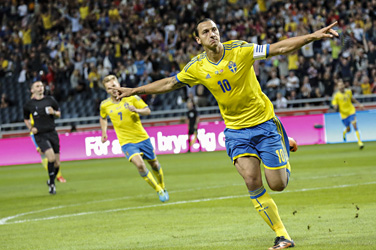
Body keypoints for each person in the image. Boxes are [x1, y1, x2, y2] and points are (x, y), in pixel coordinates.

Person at [109, 18, 337, 250]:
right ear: (198, 40)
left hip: (264, 125)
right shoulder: (196, 67)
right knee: (251, 180)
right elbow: (169, 83)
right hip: (236, 131)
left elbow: (277, 48)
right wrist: (134, 91)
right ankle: (282, 235)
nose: (212, 34)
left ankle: (283, 144)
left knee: (277, 185)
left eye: (215, 30)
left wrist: (311, 36)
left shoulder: (241, 49)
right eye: (206, 32)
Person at [99, 75, 169, 202]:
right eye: (109, 88)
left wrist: (136, 110)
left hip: (142, 138)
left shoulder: (132, 98)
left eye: (114, 86)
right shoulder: (105, 105)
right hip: (126, 142)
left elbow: (147, 111)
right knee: (140, 166)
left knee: (154, 164)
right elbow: (103, 117)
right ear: (106, 91)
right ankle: (158, 189)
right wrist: (104, 132)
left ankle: (163, 186)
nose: (113, 90)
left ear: (119, 84)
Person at [23, 81, 62, 195]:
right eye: (37, 86)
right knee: (50, 158)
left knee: (57, 164)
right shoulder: (29, 105)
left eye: (41, 86)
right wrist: (31, 128)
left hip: (52, 132)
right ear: (32, 90)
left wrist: (54, 112)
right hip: (40, 134)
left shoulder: (50, 100)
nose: (40, 88)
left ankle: (50, 181)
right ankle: (52, 185)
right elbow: (25, 118)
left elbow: (59, 113)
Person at [331, 79, 365, 149]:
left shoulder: (348, 91)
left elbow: (352, 99)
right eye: (339, 86)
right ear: (338, 87)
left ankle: (359, 142)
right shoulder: (336, 95)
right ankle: (344, 132)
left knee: (355, 125)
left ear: (344, 85)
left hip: (351, 111)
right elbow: (334, 104)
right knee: (349, 129)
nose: (341, 87)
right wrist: (335, 106)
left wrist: (359, 104)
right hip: (343, 114)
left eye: (342, 85)